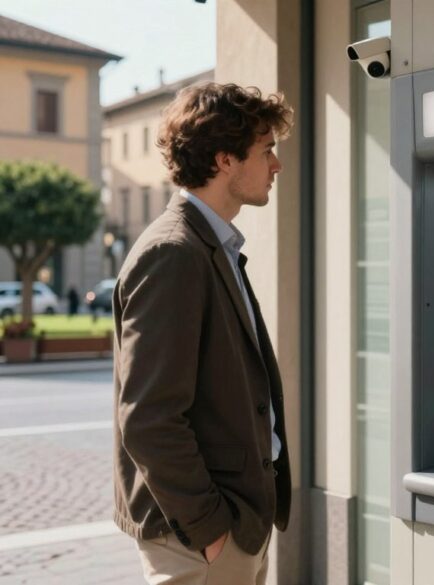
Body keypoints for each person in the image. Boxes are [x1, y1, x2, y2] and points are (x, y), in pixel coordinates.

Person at [112, 83, 293, 585]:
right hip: (200, 538)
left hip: (235, 525)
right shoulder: (174, 252)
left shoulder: (212, 244)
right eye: (265, 150)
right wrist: (210, 530)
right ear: (225, 160)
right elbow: (149, 419)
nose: (276, 165)